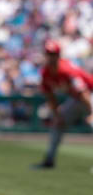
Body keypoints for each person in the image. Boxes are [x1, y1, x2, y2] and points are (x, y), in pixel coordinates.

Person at [32, 40, 93, 169]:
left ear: (58, 55)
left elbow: (84, 91)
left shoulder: (66, 69)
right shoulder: (46, 73)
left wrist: (92, 112)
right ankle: (49, 160)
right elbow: (50, 96)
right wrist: (57, 114)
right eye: (48, 53)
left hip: (89, 95)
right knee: (57, 123)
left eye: (53, 54)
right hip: (77, 99)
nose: (50, 56)